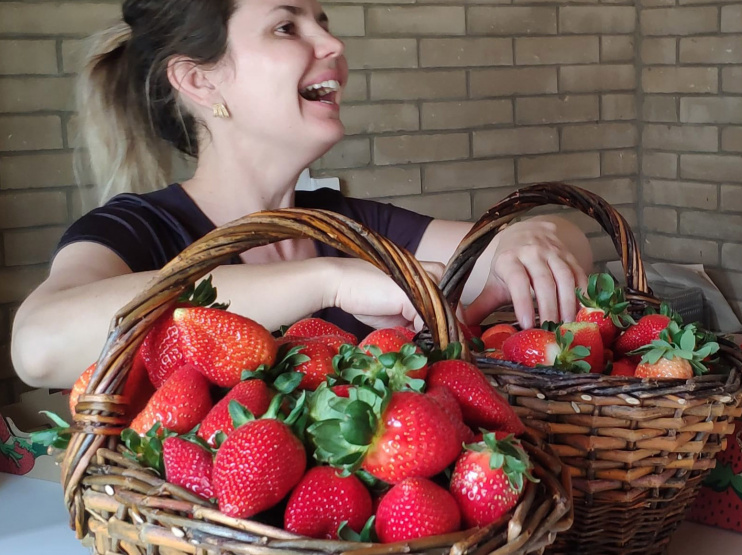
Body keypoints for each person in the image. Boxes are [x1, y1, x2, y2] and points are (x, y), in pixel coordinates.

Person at [11, 0, 594, 389]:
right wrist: (327, 282)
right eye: (287, 27)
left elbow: (563, 247)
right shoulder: (138, 230)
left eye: (322, 21)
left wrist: (533, 237)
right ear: (199, 80)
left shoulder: (353, 226)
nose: (333, 43)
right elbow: (39, 345)